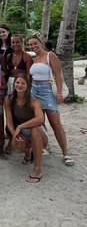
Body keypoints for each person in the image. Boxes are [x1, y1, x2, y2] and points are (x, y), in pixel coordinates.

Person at [28, 35, 74, 166]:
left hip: (47, 90)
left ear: (40, 43)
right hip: (34, 91)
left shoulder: (50, 55)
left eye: (35, 43)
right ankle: (43, 146)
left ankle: (66, 153)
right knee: (38, 122)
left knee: (55, 123)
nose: (33, 46)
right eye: (30, 45)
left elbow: (58, 74)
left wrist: (59, 92)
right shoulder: (34, 59)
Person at [4, 76, 48, 183]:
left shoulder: (33, 100)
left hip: (39, 133)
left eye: (23, 83)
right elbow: (9, 121)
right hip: (23, 132)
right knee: (17, 146)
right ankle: (28, 152)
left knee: (33, 129)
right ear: (13, 84)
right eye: (17, 82)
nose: (19, 85)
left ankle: (37, 169)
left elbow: (40, 119)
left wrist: (20, 126)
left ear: (28, 86)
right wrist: (15, 135)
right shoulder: (9, 99)